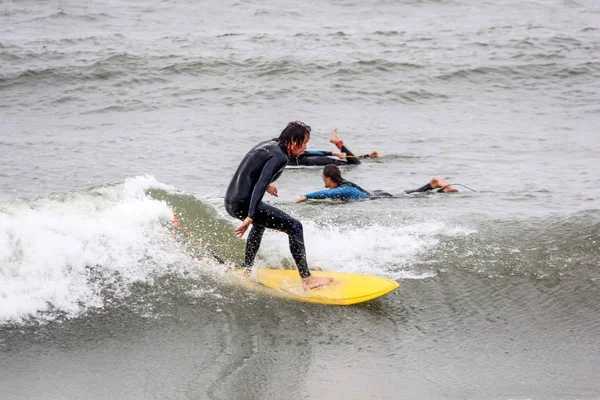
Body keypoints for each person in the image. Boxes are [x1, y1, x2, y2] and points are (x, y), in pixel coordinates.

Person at [224, 121, 333, 290]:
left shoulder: (270, 145)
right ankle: (307, 280)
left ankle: (246, 269)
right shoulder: (280, 156)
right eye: (303, 143)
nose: (305, 147)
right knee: (295, 227)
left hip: (231, 201)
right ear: (291, 141)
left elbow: (252, 173)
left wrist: (267, 186)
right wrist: (250, 215)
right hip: (244, 204)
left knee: (260, 225)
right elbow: (260, 183)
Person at [294, 165, 458, 203]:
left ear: (328, 178)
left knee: (411, 197)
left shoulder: (344, 189)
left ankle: (433, 185)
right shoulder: (344, 186)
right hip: (375, 193)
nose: (323, 182)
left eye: (323, 179)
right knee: (409, 194)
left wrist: (305, 196)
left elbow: (328, 194)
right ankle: (435, 186)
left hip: (379, 197)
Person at [288, 128, 381, 166]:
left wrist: (333, 153)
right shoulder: (288, 155)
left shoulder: (289, 156)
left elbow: (309, 152)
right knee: (353, 163)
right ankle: (367, 156)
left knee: (354, 164)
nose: (304, 147)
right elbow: (311, 152)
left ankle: (338, 143)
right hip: (321, 160)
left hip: (321, 161)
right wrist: (366, 156)